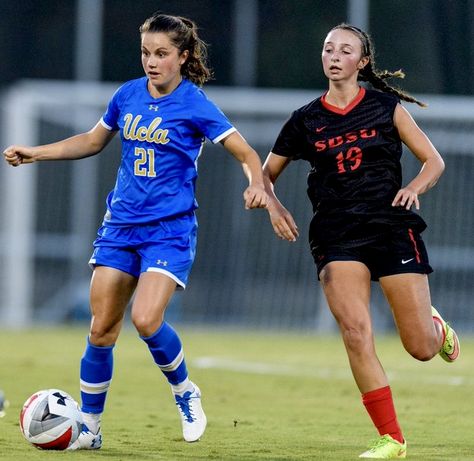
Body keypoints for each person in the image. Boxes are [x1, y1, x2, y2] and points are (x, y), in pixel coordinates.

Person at [3, 12, 267, 450]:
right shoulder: (127, 95)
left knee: (146, 319)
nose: (152, 61)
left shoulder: (195, 103)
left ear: (182, 57)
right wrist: (35, 153)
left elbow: (244, 151)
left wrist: (256, 182)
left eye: (162, 53)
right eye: (146, 52)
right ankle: (89, 428)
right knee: (102, 328)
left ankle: (185, 391)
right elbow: (91, 141)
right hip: (120, 227)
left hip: (168, 230)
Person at [262, 23, 460, 459]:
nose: (333, 56)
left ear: (362, 61)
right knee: (355, 331)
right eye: (328, 48)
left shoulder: (386, 108)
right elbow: (266, 175)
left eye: (345, 50)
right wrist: (272, 204)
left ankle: (435, 327)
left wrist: (415, 188)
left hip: (391, 226)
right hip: (336, 235)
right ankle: (392, 438)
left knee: (421, 349)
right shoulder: (305, 120)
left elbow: (434, 160)